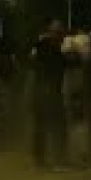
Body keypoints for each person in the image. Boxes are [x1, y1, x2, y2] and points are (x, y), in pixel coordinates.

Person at [31, 19, 67, 169]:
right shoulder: (53, 48)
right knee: (55, 127)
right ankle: (55, 159)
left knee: (42, 128)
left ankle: (42, 159)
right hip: (49, 91)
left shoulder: (41, 46)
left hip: (42, 91)